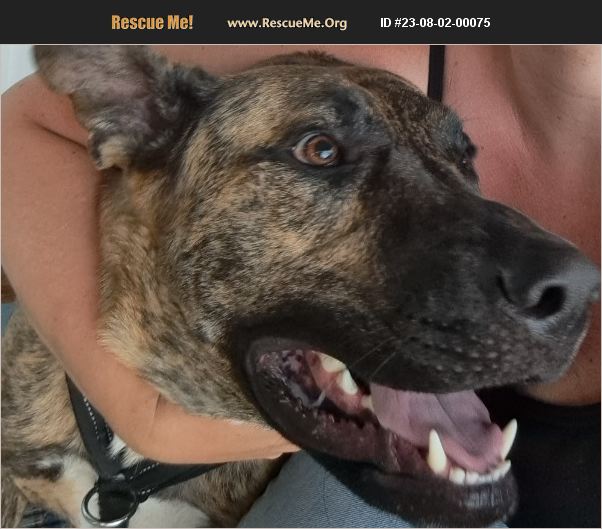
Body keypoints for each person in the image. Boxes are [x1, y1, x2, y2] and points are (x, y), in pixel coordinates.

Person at [2, 45, 599, 527]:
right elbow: (23, 120)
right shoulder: (372, 39)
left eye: (460, 160)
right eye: (322, 151)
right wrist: (140, 416)